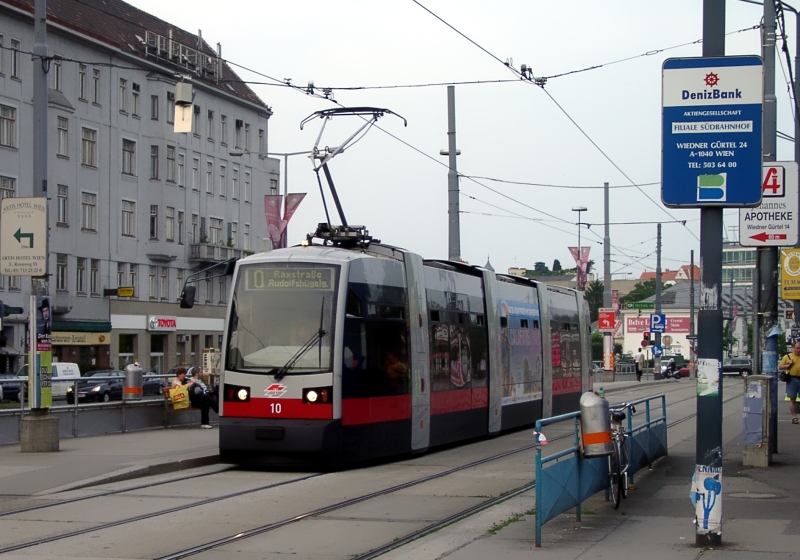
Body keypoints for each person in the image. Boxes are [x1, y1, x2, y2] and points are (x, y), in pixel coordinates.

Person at [778, 341, 800, 425]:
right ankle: (794, 417)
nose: (799, 350)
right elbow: (780, 366)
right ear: (793, 348)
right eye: (797, 348)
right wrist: (788, 365)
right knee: (792, 399)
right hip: (792, 379)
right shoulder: (787, 357)